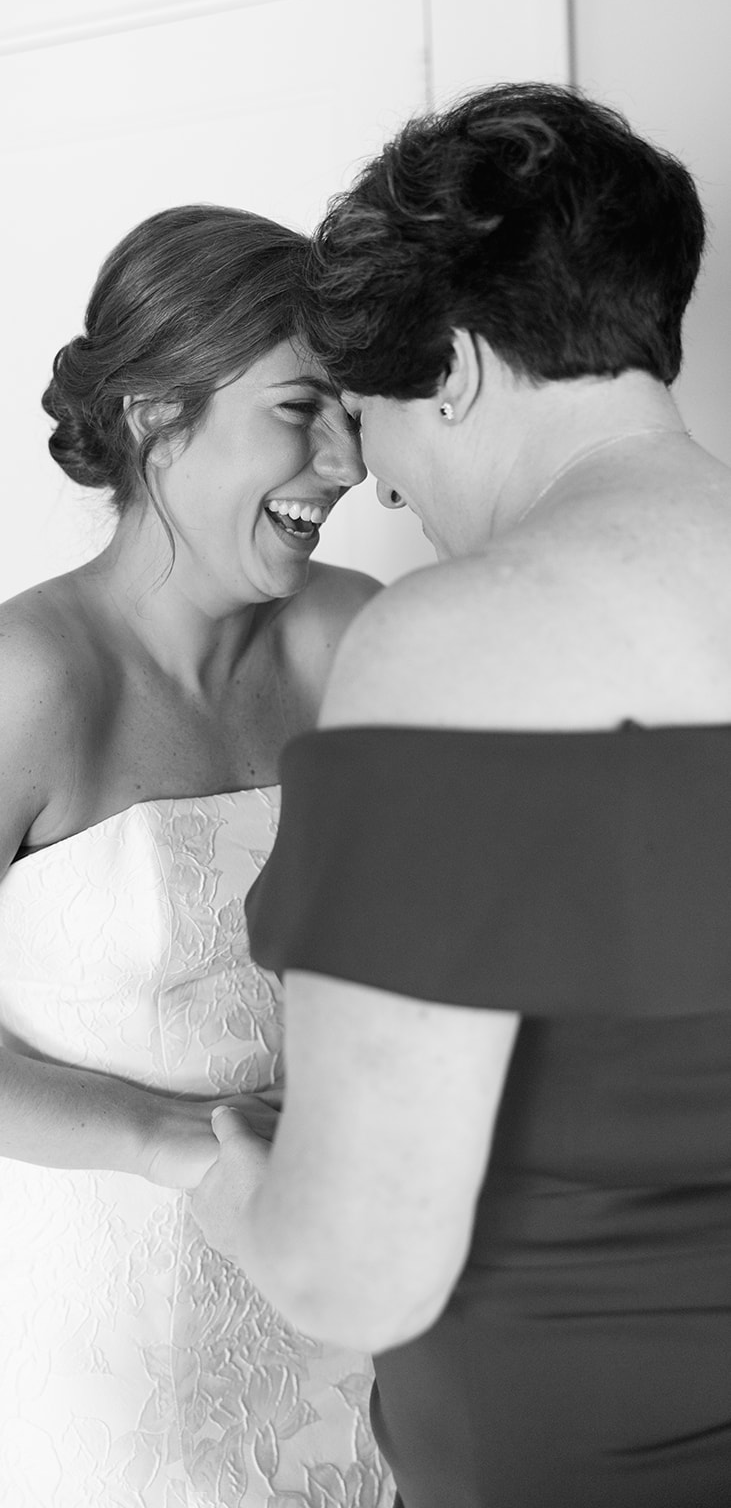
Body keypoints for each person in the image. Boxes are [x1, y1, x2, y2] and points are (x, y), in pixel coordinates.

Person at [0, 204, 397, 1507]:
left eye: (357, 413)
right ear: (157, 414)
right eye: (301, 408)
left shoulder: (353, 634)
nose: (348, 461)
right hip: (94, 1339)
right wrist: (174, 1145)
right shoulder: (25, 682)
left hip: (327, 1293)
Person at [191, 86, 731, 1507]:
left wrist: (224, 1178)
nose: (376, 490)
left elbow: (350, 1273)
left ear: (462, 372)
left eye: (370, 419)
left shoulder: (451, 644)